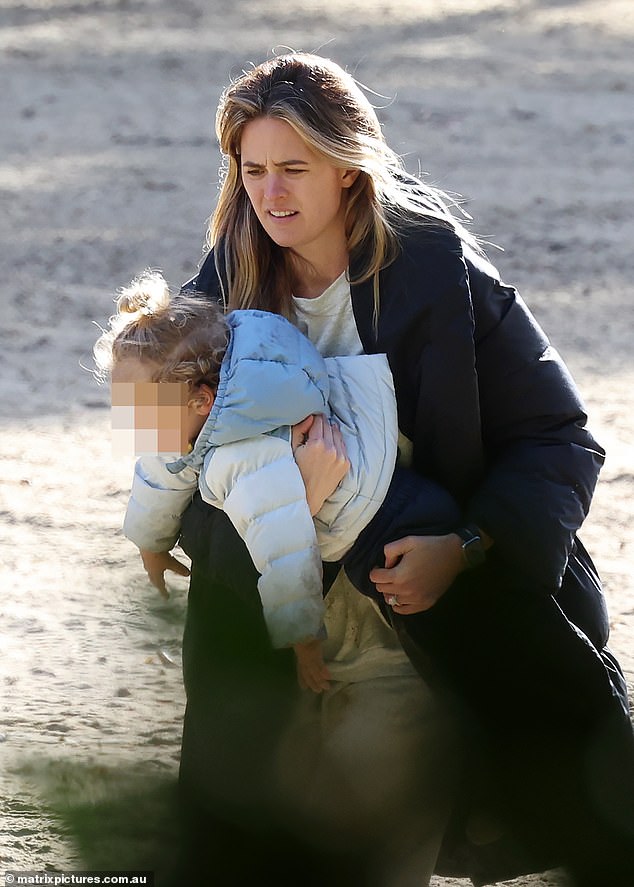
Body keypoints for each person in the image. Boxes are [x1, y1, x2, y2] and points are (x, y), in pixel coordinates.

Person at [170, 52, 634, 887]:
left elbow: (560, 436)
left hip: (416, 643)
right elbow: (171, 482)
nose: (270, 195)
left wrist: (468, 542)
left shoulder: (441, 275)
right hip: (269, 650)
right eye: (253, 171)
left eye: (294, 169)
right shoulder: (216, 293)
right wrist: (287, 502)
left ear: (348, 170)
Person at [95, 270, 461, 690]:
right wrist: (150, 544)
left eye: (138, 412)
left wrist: (303, 642)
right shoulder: (197, 416)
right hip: (374, 494)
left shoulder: (244, 456)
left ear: (201, 401)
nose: (126, 424)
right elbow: (160, 471)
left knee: (418, 615)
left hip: (386, 521)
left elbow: (285, 549)